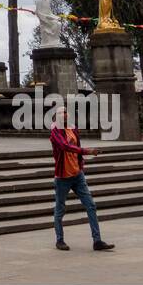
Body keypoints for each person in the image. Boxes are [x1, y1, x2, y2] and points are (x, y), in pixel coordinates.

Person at [50, 107, 115, 252]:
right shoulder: (55, 132)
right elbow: (65, 146)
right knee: (60, 208)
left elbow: (76, 146)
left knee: (91, 205)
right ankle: (59, 240)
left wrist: (81, 162)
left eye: (66, 111)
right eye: (61, 112)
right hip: (62, 176)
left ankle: (97, 241)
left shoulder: (73, 128)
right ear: (56, 117)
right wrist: (87, 151)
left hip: (77, 174)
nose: (65, 114)